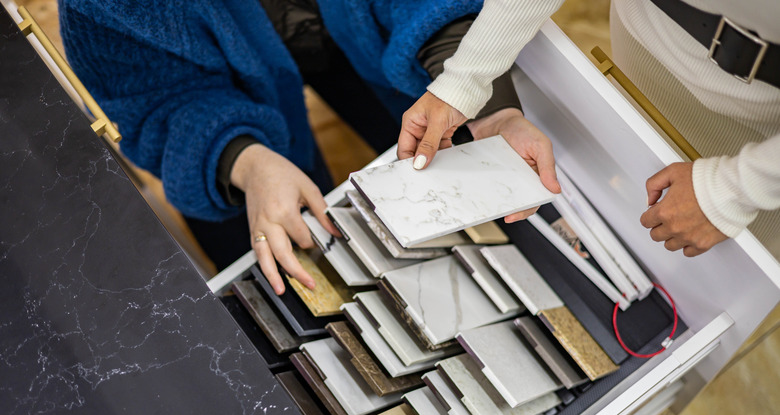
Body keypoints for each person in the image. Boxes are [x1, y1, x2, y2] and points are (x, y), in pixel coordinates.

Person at [59, 0, 546, 293]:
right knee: (288, 271)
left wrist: (481, 99)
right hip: (220, 94)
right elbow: (156, 97)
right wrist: (242, 160)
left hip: (360, 23)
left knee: (437, 168)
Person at [399, 0, 780, 259]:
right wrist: (464, 83)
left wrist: (734, 189)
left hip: (766, 110)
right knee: (631, 165)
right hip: (650, 29)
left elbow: (731, 200)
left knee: (739, 246)